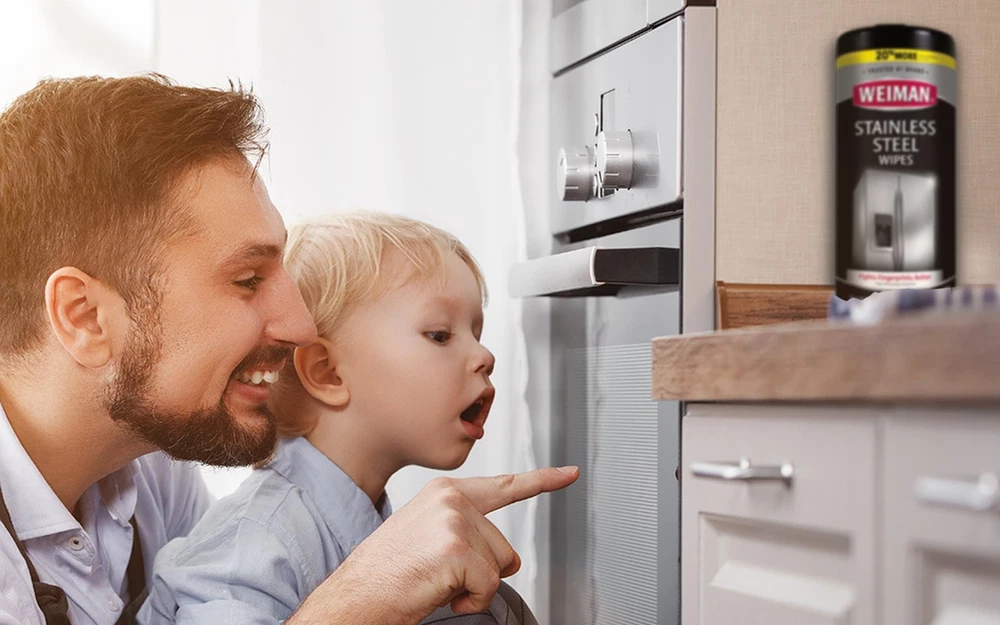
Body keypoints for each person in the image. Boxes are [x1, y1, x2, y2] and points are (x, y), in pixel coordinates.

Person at [0, 74, 579, 625]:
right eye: (248, 279)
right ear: (86, 316)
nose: (302, 326)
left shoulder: (147, 473)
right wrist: (363, 599)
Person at [138, 211, 530, 624]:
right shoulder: (255, 541)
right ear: (327, 372)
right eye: (440, 335)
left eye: (476, 333)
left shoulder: (366, 523)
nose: (484, 356)